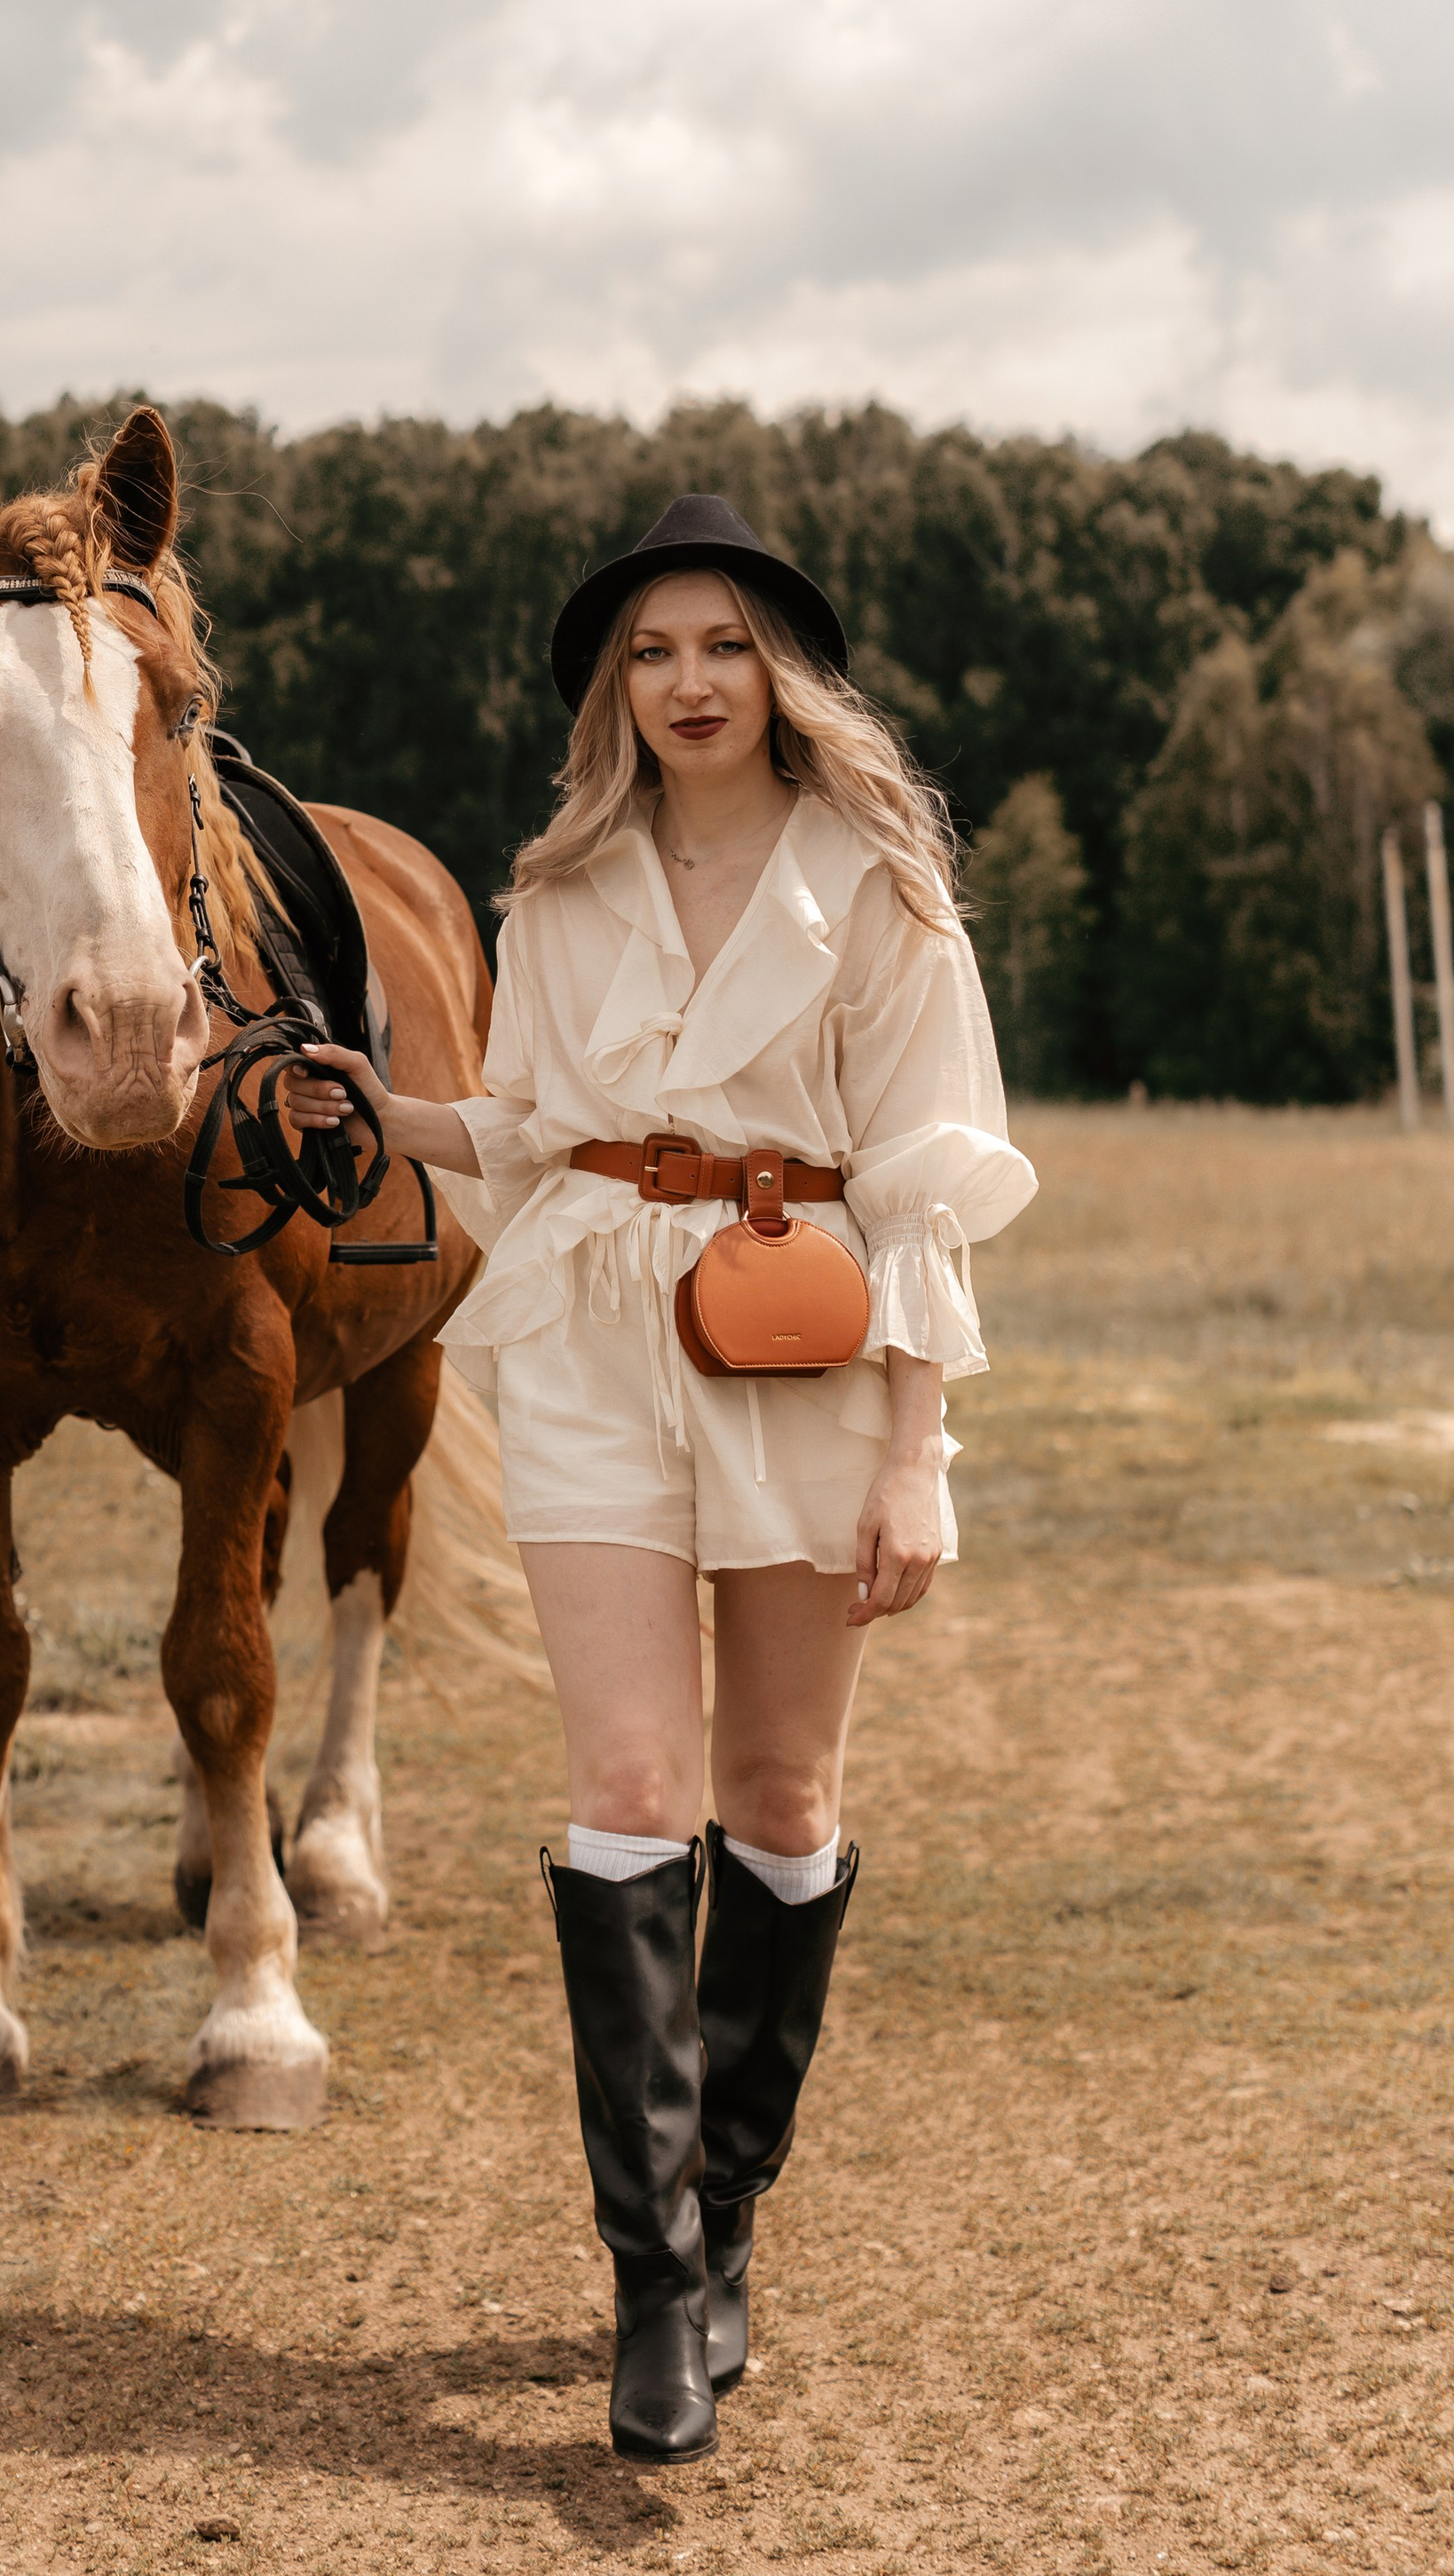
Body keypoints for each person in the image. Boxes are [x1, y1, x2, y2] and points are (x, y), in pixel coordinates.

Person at [285, 494, 1035, 2467]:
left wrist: (915, 1450)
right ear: (612, 686)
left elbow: (924, 1186)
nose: (684, 682)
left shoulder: (876, 890)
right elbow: (532, 1130)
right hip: (594, 1335)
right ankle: (642, 2278)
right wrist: (391, 1115)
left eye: (717, 646)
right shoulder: (557, 890)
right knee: (623, 1790)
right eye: (647, 652)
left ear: (778, 671)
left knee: (778, 1795)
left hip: (802, 1333)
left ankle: (723, 2230)